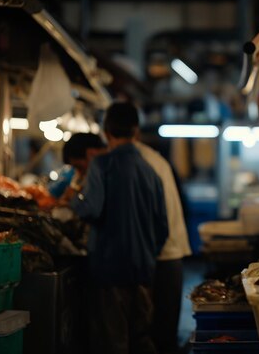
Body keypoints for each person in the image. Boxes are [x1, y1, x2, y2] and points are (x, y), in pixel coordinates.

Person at [70, 102, 168, 354]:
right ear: (135, 130)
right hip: (143, 271)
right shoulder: (151, 172)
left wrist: (74, 199)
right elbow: (162, 228)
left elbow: (91, 209)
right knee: (141, 338)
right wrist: (146, 254)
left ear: (106, 130)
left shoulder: (101, 166)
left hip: (109, 270)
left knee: (112, 342)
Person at [134, 141, 192, 354]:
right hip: (166, 252)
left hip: (161, 255)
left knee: (159, 330)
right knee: (164, 328)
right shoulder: (154, 160)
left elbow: (159, 218)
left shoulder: (143, 162)